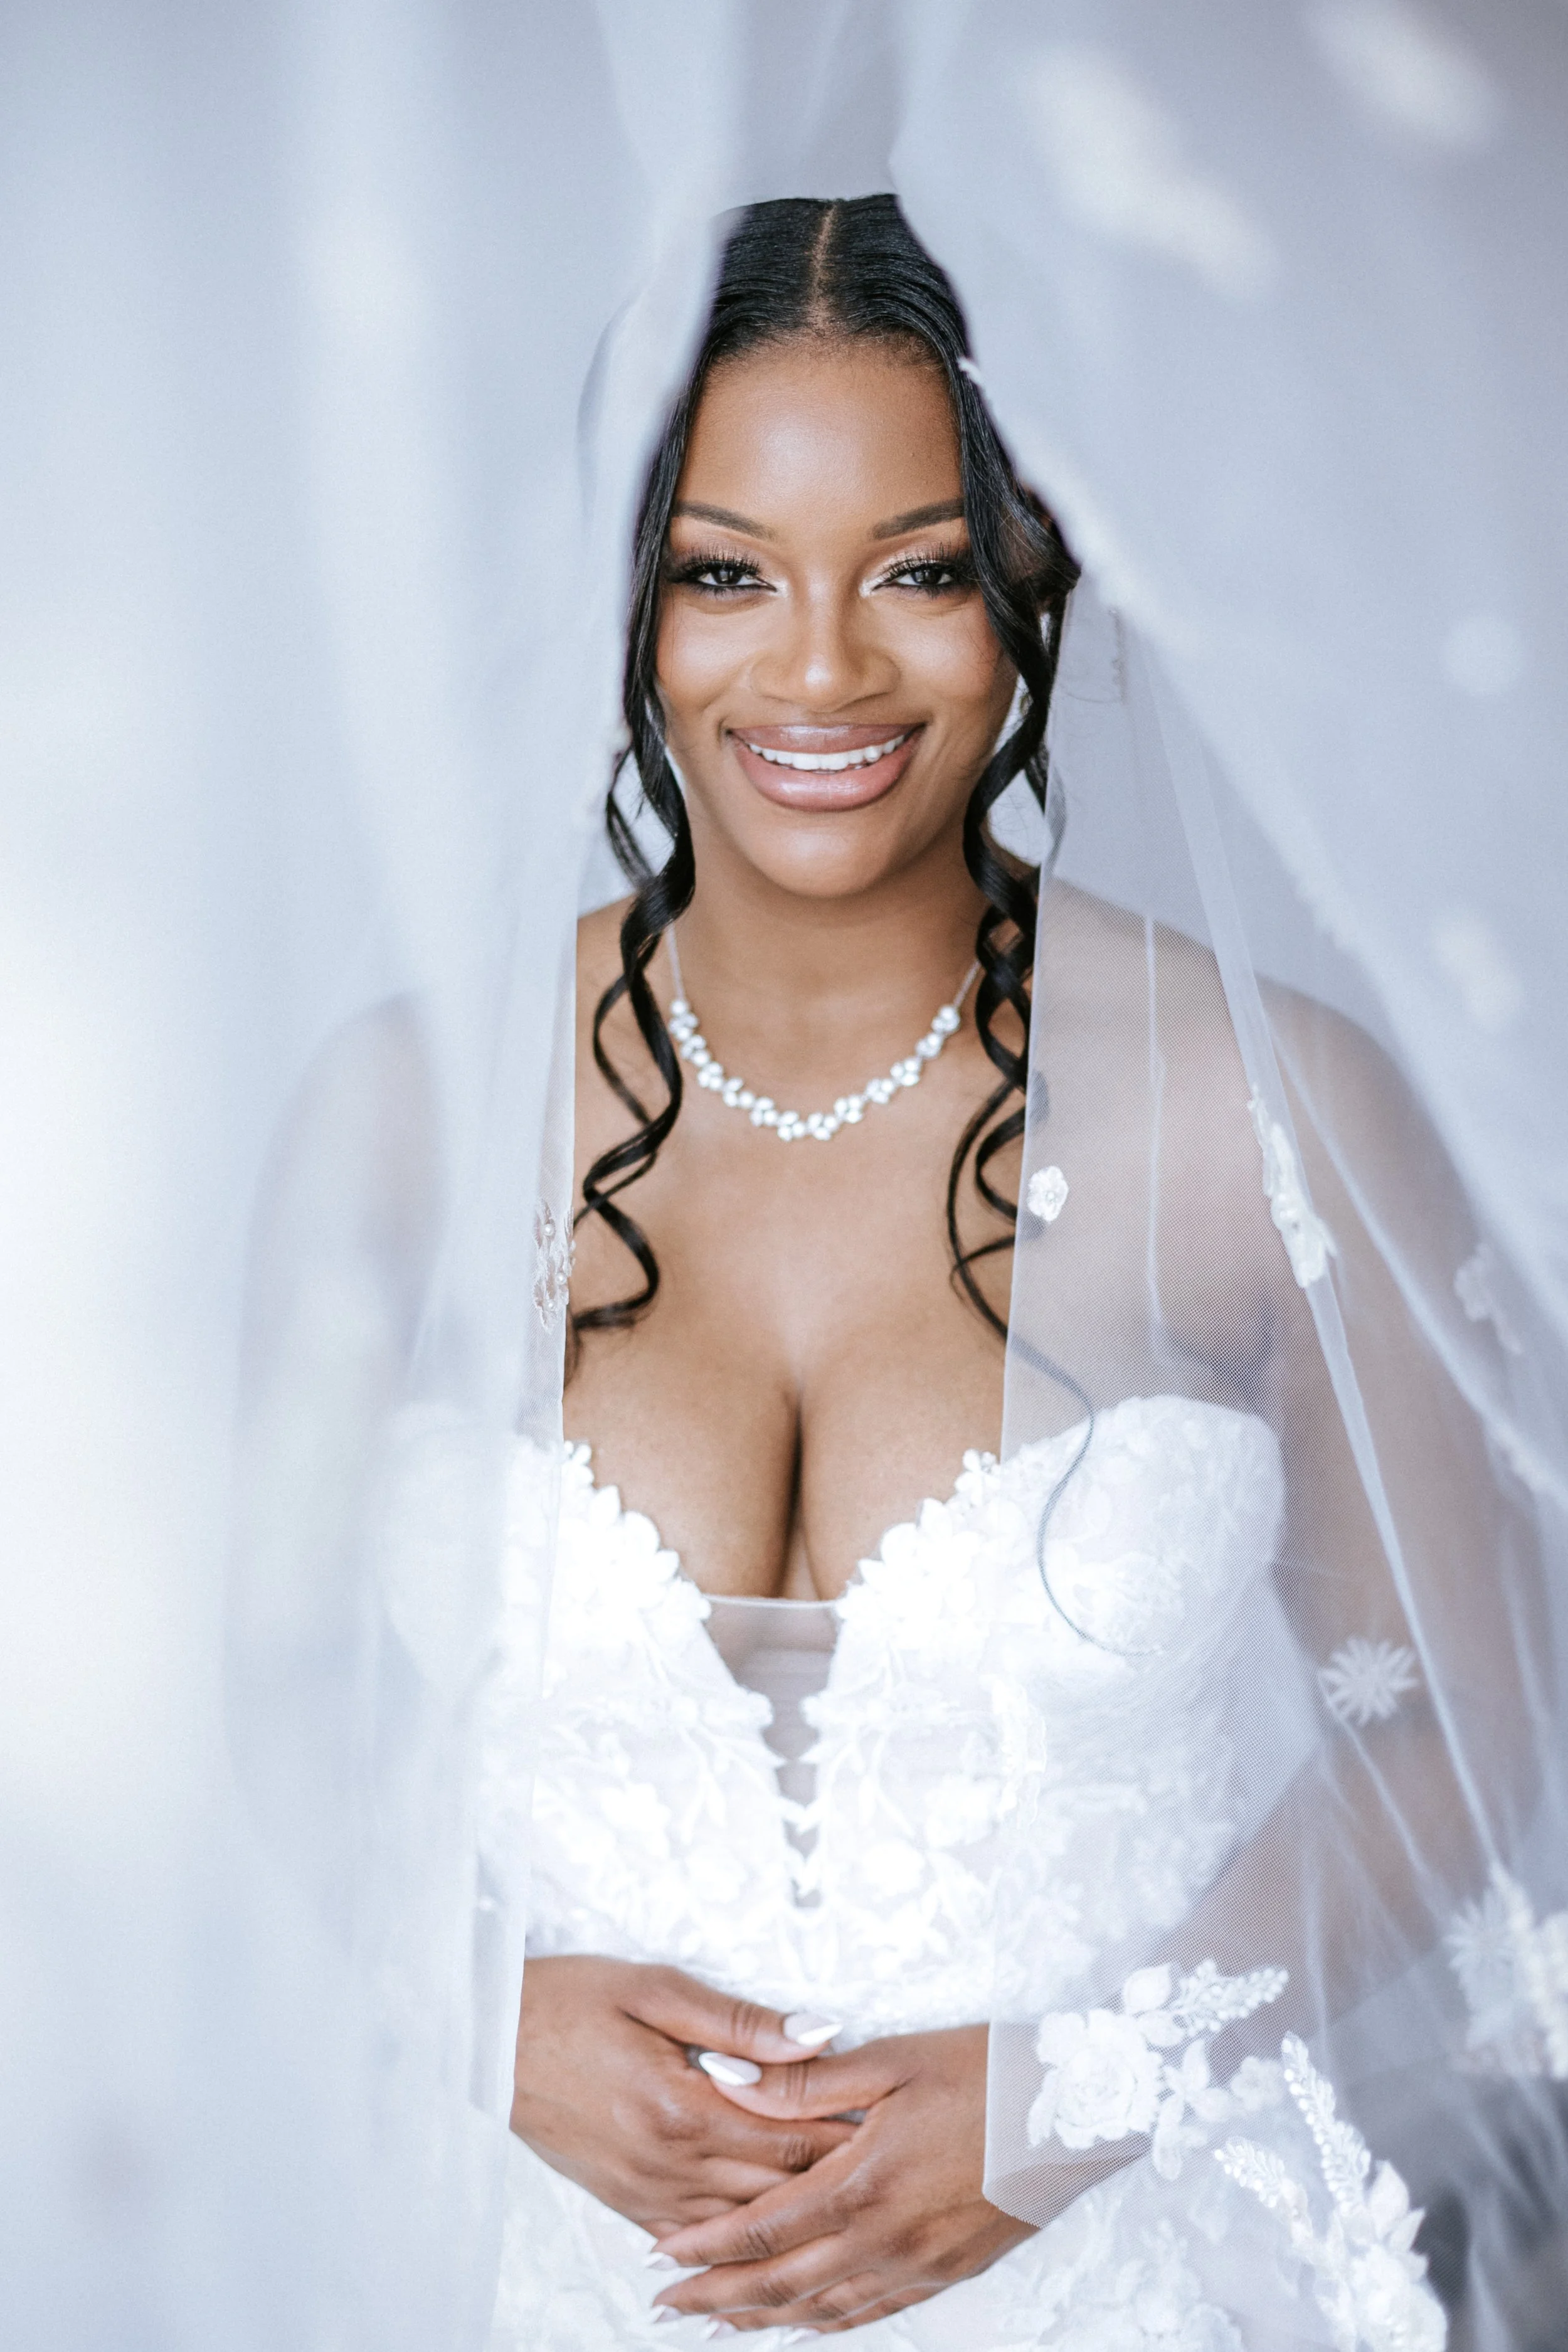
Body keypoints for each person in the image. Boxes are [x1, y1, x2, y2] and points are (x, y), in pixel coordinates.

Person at [485, 196, 1464, 2347]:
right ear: (624, 600)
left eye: (917, 571)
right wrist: (483, 2011)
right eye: (723, 571)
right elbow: (273, 1701)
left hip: (1116, 2275)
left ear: (1036, 575)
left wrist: (1083, 2090)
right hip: (518, 2272)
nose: (820, 669)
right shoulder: (426, 1108)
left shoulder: (1271, 1113)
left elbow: (1463, 1731)